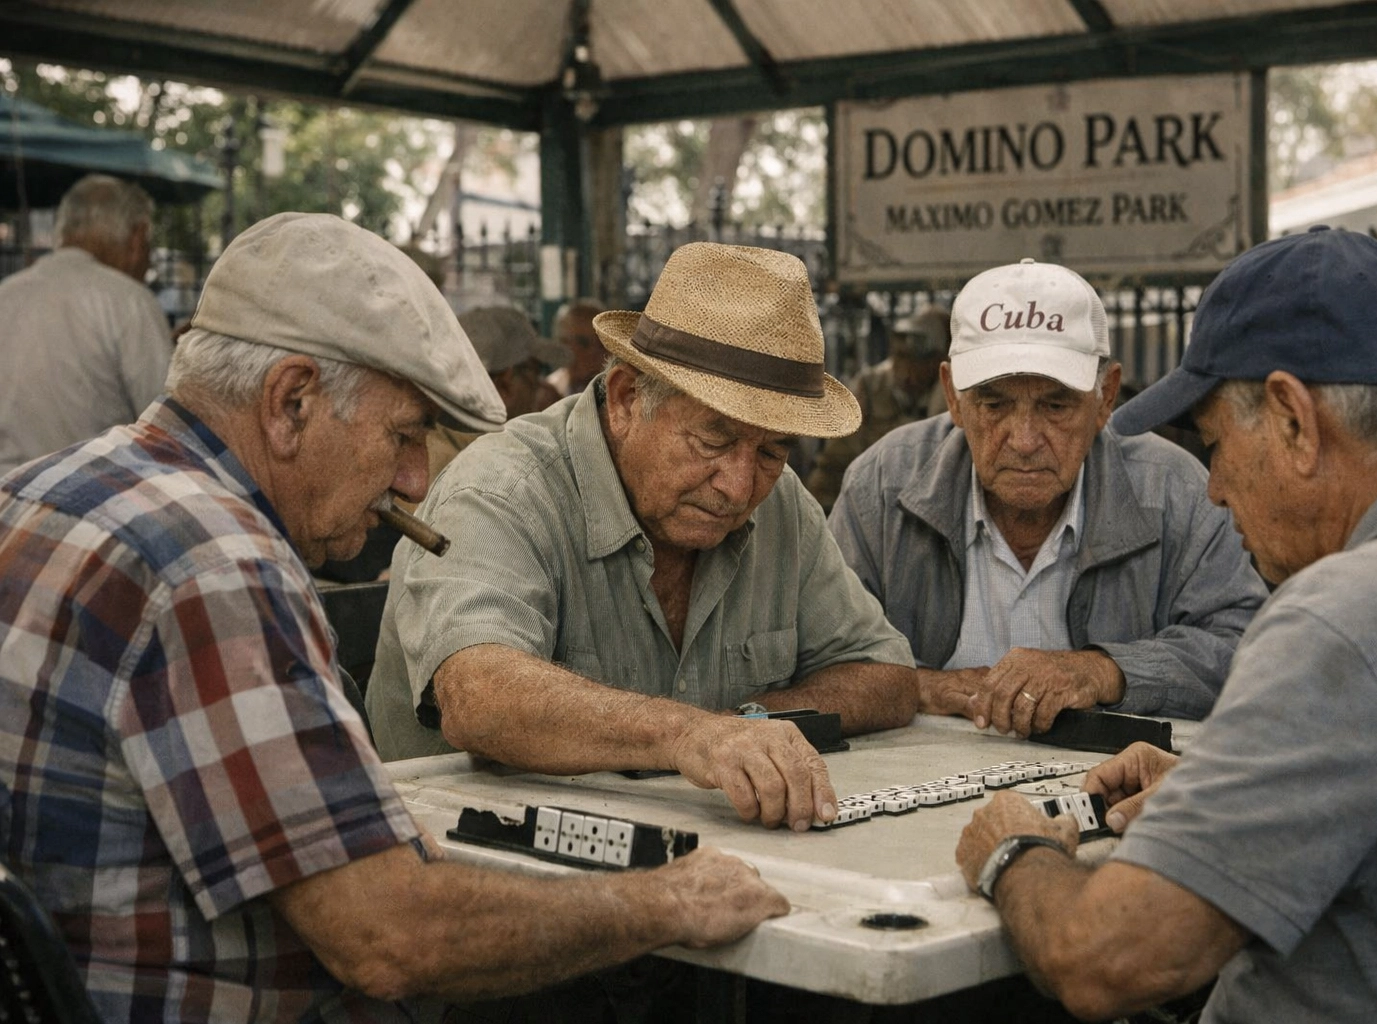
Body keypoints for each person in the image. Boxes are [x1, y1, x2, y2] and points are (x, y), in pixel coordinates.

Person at [0, 213, 788, 1023]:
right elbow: (390, 939)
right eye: (403, 435)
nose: (414, 482)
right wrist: (664, 905)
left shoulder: (36, 492)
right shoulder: (217, 568)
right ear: (292, 400)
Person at [955, 227, 1377, 1023]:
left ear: (1294, 421)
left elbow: (1104, 960)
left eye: (1217, 445)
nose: (1217, 492)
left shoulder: (1341, 618)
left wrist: (1011, 852)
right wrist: (1222, 797)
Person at [367, 242, 919, 830]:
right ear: (629, 398)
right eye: (713, 439)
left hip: (696, 855)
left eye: (773, 450)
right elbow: (477, 695)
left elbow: (885, 674)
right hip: (464, 862)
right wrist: (691, 733)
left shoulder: (778, 501)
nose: (737, 485)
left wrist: (744, 724)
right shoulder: (501, 490)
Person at [829, 258, 1266, 736]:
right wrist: (921, 686)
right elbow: (823, 656)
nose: (1023, 439)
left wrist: (1103, 671)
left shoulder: (1174, 491)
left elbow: (1246, 651)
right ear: (953, 397)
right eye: (994, 404)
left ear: (1106, 398)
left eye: (1055, 405)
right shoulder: (882, 485)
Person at [0, 173, 172, 474]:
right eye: (148, 245)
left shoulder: (7, 294)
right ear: (137, 237)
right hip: (94, 506)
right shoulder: (130, 300)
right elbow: (169, 427)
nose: (148, 261)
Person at [807, 304, 950, 511]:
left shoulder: (948, 392)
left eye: (917, 359)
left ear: (939, 361)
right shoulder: (870, 387)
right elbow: (833, 465)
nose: (906, 369)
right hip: (869, 505)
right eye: (900, 355)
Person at [422, 304, 567, 485]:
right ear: (505, 382)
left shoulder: (429, 442)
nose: (540, 386)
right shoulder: (483, 469)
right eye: (535, 373)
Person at [544, 296, 607, 398]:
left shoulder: (622, 392)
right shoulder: (550, 392)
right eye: (584, 343)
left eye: (583, 343)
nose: (595, 351)